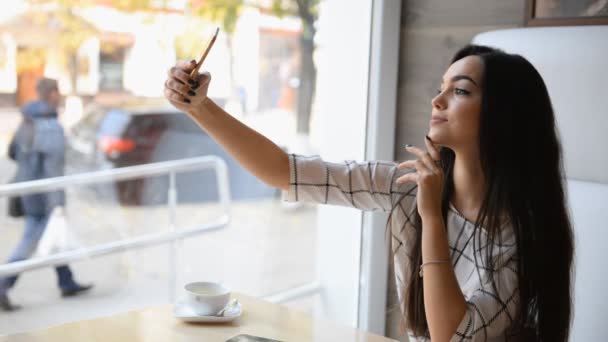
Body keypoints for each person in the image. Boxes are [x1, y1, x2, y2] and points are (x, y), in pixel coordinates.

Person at [163, 45, 574, 341]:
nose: (437, 99)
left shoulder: (520, 234)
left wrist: (431, 216)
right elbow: (284, 172)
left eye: (460, 91)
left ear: (504, 117)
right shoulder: (406, 185)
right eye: (441, 86)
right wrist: (200, 107)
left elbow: (450, 335)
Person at [0, 78, 92, 312]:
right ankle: (2, 285)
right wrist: (57, 204)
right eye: (58, 91)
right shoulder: (50, 124)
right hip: (43, 195)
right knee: (30, 241)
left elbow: (12, 152)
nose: (59, 95)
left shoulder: (27, 119)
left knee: (53, 237)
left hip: (27, 189)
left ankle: (66, 281)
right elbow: (53, 168)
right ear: (51, 93)